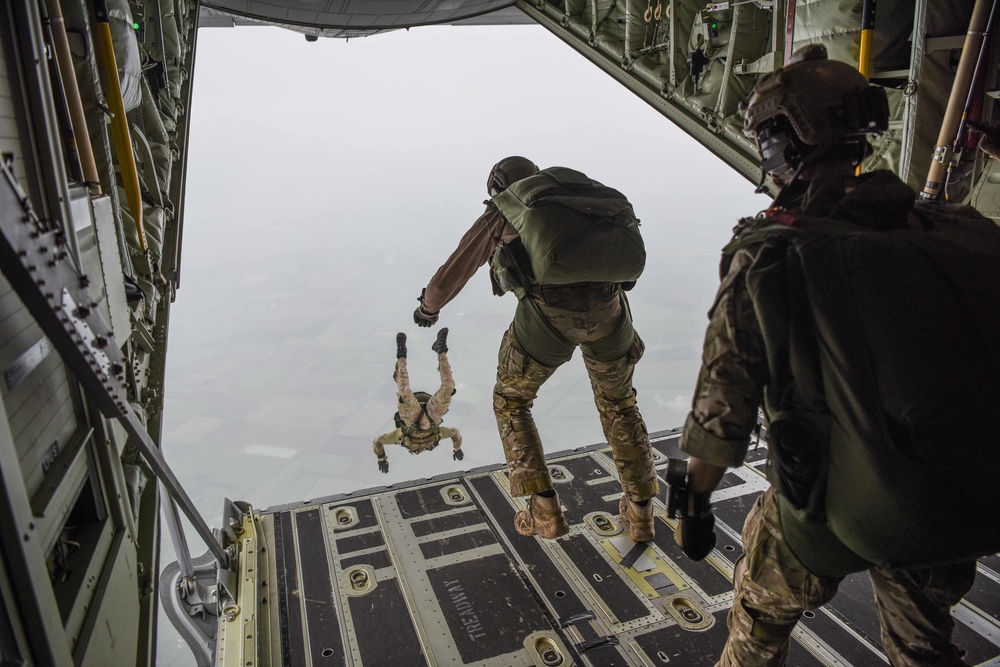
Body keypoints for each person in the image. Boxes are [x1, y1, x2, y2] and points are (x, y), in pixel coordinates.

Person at [673, 44, 1000, 666]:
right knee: (923, 651)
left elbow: (724, 409)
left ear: (784, 140)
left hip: (837, 510)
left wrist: (691, 506)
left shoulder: (771, 252)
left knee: (758, 613)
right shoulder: (962, 233)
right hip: (953, 500)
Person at [413, 157, 659, 542]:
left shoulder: (509, 206)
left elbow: (454, 271)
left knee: (512, 400)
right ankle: (642, 514)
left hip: (546, 320)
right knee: (620, 404)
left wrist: (427, 308)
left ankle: (544, 510)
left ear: (498, 185)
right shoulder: (583, 198)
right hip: (612, 316)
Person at [373, 329, 463, 473]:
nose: (422, 444)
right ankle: (441, 351)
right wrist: (457, 448)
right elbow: (455, 433)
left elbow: (377, 441)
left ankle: (401, 356)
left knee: (404, 393)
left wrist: (381, 457)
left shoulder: (398, 437)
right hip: (432, 417)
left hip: (411, 420)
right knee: (448, 388)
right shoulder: (440, 434)